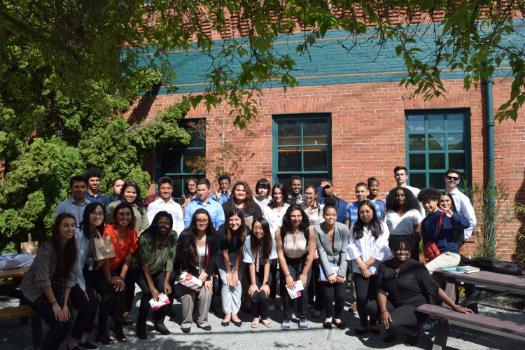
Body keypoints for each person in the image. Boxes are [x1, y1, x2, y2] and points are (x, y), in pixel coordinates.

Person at [365, 238, 472, 344]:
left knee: (393, 321)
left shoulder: (417, 267)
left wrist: (455, 306)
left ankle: (413, 330)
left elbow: (435, 289)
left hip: (414, 305)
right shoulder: (385, 266)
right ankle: (392, 330)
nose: (402, 252)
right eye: (399, 249)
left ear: (410, 252)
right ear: (392, 251)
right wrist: (384, 311)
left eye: (406, 249)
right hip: (394, 302)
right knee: (371, 307)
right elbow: (380, 289)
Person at [20, 214, 77, 350]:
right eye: (65, 225)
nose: (70, 228)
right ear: (57, 228)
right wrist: (54, 304)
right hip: (36, 291)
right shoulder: (47, 248)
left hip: (55, 289)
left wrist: (63, 304)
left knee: (68, 321)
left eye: (73, 225)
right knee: (58, 323)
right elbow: (42, 279)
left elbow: (70, 278)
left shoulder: (72, 248)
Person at [347, 200, 391, 334]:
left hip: (376, 269)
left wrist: (366, 265)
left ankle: (373, 323)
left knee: (373, 298)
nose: (364, 214)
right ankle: (363, 323)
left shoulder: (382, 226)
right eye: (362, 212)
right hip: (360, 269)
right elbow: (351, 246)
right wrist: (362, 265)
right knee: (361, 298)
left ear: (373, 212)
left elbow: (382, 247)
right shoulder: (355, 226)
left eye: (367, 211)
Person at [100, 202, 139, 343]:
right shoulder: (108, 230)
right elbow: (104, 258)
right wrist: (110, 278)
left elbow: (128, 257)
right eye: (121, 214)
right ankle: (102, 330)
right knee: (108, 296)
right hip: (100, 270)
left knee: (120, 291)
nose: (124, 217)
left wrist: (121, 278)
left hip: (116, 270)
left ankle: (118, 328)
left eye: (128, 214)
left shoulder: (131, 232)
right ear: (115, 216)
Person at [175, 209, 218, 333]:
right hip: (189, 270)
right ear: (194, 221)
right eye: (199, 220)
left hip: (206, 271)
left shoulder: (213, 236)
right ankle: (186, 321)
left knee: (207, 293)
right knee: (188, 294)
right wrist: (189, 276)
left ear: (209, 221)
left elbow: (215, 257)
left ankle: (202, 321)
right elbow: (180, 257)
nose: (202, 222)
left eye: (204, 220)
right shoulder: (186, 235)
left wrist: (208, 275)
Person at [136, 211, 178, 340]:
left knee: (163, 292)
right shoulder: (146, 237)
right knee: (149, 293)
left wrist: (166, 282)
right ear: (155, 223)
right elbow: (144, 265)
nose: (163, 225)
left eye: (166, 223)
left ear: (170, 225)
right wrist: (152, 287)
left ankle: (159, 321)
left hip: (159, 270)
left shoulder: (172, 235)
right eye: (160, 222)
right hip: (141, 271)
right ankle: (140, 325)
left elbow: (170, 259)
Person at [67, 203, 103, 350]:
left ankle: (83, 338)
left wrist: (97, 258)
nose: (98, 216)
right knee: (86, 305)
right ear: (87, 215)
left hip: (83, 272)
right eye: (94, 213)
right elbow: (74, 263)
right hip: (70, 275)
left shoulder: (97, 233)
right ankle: (72, 342)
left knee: (94, 304)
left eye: (101, 213)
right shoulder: (77, 233)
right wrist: (82, 288)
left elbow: (97, 259)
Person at [275, 205, 316, 330]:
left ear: (302, 216)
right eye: (293, 216)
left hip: (303, 261)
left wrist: (304, 274)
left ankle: (302, 316)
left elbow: (310, 254)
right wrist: (287, 275)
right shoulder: (280, 231)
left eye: (299, 215)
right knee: (290, 289)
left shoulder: (309, 231)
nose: (296, 218)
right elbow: (280, 255)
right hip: (287, 261)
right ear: (288, 216)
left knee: (302, 289)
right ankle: (287, 317)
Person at [314, 205, 349, 329]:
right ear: (324, 215)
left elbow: (345, 251)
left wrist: (341, 272)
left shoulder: (343, 228)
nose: (331, 217)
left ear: (336, 216)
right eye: (328, 214)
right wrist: (329, 272)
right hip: (325, 264)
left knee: (341, 295)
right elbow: (321, 251)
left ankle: (338, 317)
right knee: (327, 295)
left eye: (333, 215)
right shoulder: (317, 229)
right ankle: (328, 316)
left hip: (341, 263)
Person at [418, 188, 470, 273]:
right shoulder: (425, 221)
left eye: (428, 202)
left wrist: (453, 215)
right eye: (424, 203)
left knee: (424, 271)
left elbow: (466, 224)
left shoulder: (447, 215)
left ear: (436, 201)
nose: (426, 205)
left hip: (450, 255)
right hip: (435, 256)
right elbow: (426, 243)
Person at [217, 208, 247, 327]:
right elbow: (224, 253)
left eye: (236, 219)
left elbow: (241, 252)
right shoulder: (222, 230)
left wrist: (236, 271)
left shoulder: (246, 231)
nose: (234, 223)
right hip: (224, 257)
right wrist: (229, 272)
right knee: (226, 283)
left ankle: (235, 312)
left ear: (241, 220)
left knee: (236, 283)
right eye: (231, 220)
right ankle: (227, 313)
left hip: (239, 258)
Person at [243, 218, 276, 328]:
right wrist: (253, 283)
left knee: (264, 293)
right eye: (255, 228)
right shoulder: (248, 240)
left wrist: (265, 283)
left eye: (261, 228)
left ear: (265, 229)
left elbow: (267, 262)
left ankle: (264, 316)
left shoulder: (271, 240)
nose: (258, 231)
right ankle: (255, 316)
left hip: (265, 268)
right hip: (252, 269)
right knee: (255, 293)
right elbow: (251, 263)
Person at [384, 187, 423, 260]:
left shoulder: (414, 212)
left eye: (402, 195)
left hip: (410, 241)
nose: (399, 197)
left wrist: (412, 246)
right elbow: (385, 232)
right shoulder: (389, 213)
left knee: (410, 266)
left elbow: (417, 232)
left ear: (407, 197)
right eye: (397, 195)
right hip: (393, 242)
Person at [444, 169, 477, 239]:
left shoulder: (463, 198)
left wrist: (463, 236)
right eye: (449, 177)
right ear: (445, 179)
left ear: (458, 181)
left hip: (456, 237)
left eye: (455, 178)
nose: (452, 180)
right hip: (442, 236)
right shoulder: (440, 196)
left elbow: (472, 220)